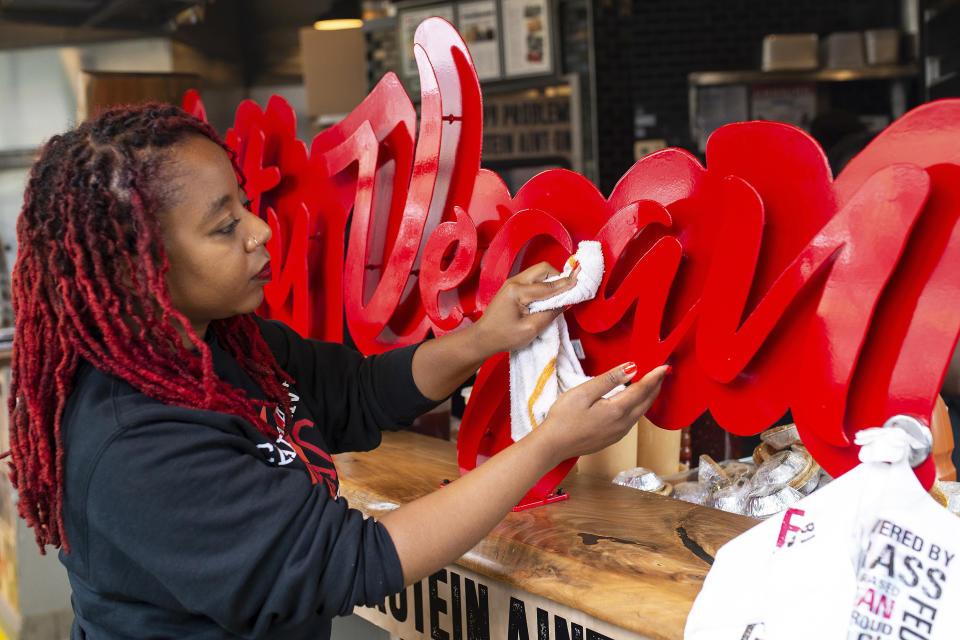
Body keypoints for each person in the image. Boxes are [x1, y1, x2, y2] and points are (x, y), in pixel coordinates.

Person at [4, 103, 668, 639]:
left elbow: (357, 391)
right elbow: (354, 561)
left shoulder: (230, 343)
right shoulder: (134, 441)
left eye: (242, 204)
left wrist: (485, 338)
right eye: (221, 227)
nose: (258, 232)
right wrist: (547, 444)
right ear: (136, 266)